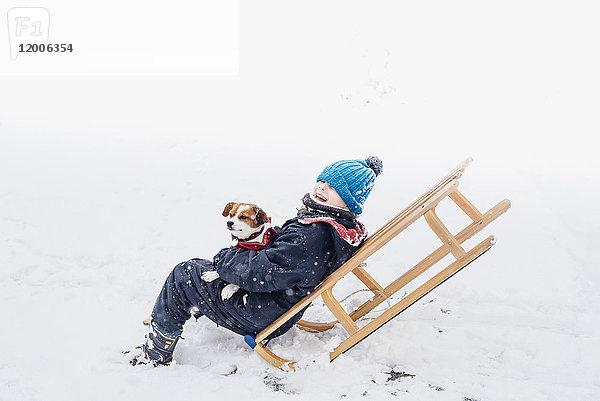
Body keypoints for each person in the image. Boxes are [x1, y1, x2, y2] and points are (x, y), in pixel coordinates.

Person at [129, 156, 383, 366]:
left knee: (184, 274)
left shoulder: (311, 235)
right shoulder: (329, 229)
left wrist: (223, 257)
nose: (322, 187)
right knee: (199, 267)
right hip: (273, 306)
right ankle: (186, 310)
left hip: (257, 311)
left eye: (333, 186)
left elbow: (256, 273)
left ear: (349, 199)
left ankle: (156, 353)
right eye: (322, 180)